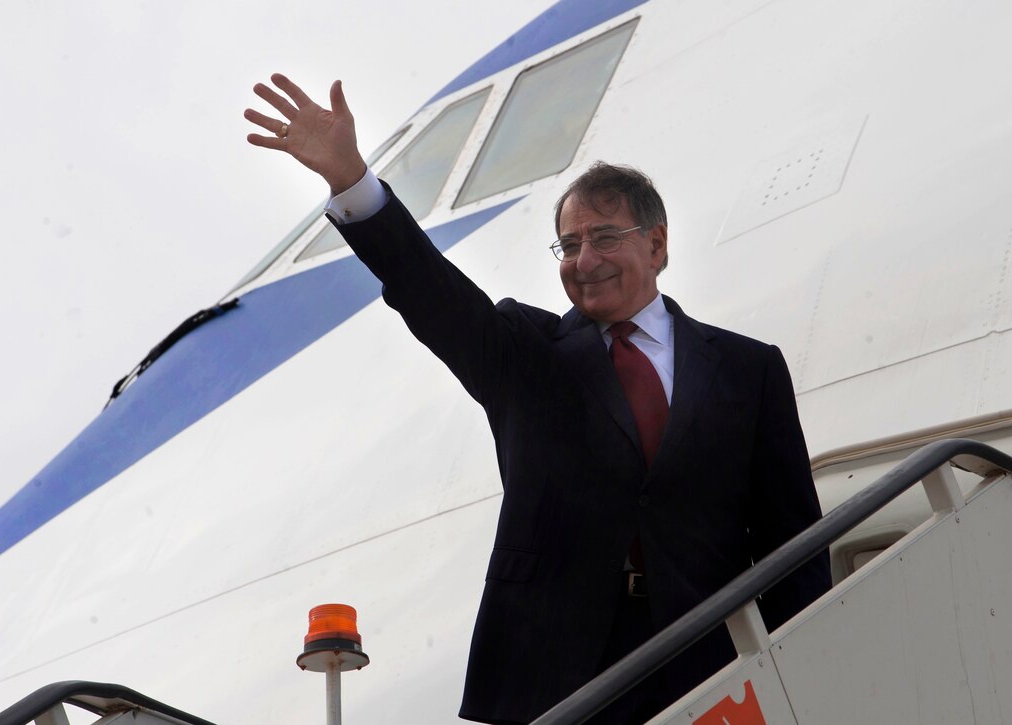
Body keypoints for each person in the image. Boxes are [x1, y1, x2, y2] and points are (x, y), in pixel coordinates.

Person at [245, 74, 831, 724]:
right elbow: (432, 289)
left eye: (604, 237)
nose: (584, 260)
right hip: (553, 680)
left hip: (708, 673)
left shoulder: (748, 371)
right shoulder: (530, 356)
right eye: (569, 244)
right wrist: (355, 183)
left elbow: (793, 544)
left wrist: (800, 676)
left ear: (657, 244)